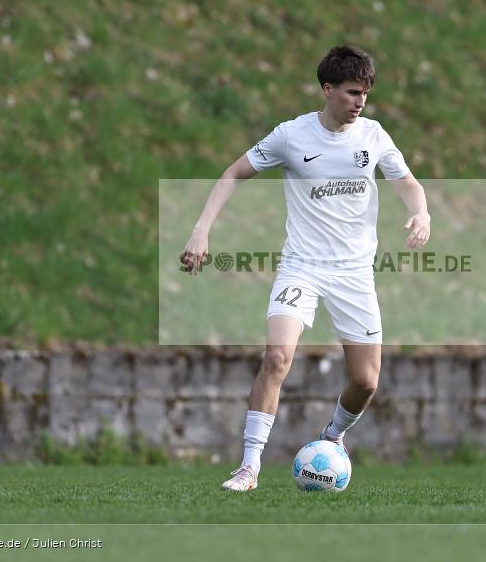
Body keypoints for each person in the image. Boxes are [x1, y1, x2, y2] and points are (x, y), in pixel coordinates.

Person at [180, 45, 430, 491]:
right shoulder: (291, 136)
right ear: (327, 89)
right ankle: (248, 467)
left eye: (366, 94)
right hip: (302, 268)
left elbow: (407, 182)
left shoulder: (373, 136)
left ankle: (331, 436)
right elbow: (233, 173)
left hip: (354, 273)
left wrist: (421, 212)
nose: (359, 102)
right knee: (276, 357)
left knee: (366, 382)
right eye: (352, 92)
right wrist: (201, 230)